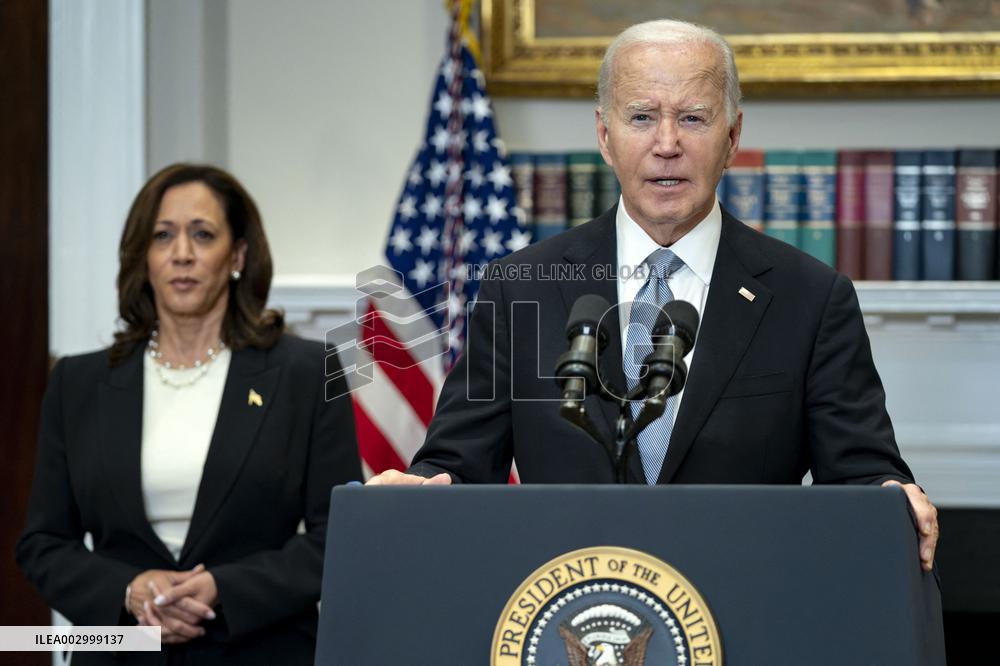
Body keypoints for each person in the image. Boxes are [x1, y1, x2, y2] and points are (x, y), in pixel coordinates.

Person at [368, 20, 939, 572]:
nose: (667, 144)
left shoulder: (811, 298)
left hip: (742, 610)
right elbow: (459, 465)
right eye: (642, 117)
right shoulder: (518, 287)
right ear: (605, 136)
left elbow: (862, 473)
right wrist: (425, 488)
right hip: (567, 608)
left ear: (733, 136)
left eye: (693, 118)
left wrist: (890, 495)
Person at [16, 163, 362, 664]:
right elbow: (43, 543)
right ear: (144, 258)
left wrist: (225, 587)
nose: (182, 254)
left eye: (202, 234)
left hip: (259, 647)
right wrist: (128, 589)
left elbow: (340, 535)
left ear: (238, 255)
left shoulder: (304, 372)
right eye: (163, 236)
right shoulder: (78, 382)